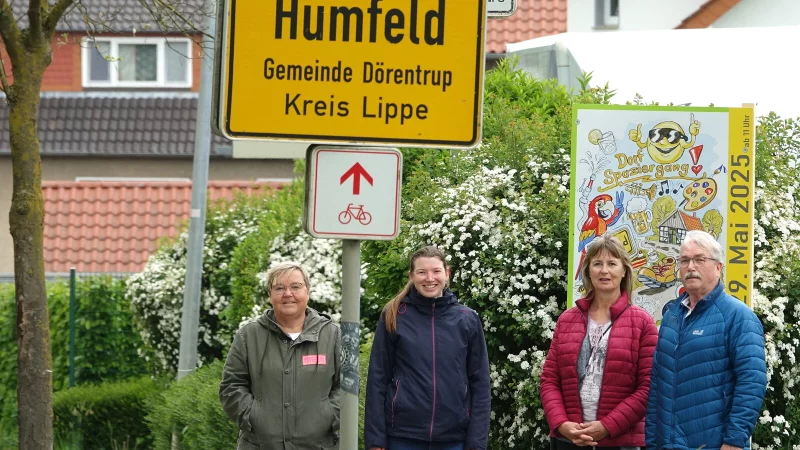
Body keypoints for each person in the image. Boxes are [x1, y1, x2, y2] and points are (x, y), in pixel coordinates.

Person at [646, 230, 767, 450]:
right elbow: (657, 384)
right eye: (684, 260)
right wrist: (653, 442)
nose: (691, 267)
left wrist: (734, 441)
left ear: (718, 267)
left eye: (699, 259)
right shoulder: (671, 315)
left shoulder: (738, 316)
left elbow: (752, 383)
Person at [364, 245, 491, 450]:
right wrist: (375, 439)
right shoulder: (394, 314)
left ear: (447, 273)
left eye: (436, 271)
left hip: (453, 438)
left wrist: (476, 443)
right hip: (402, 436)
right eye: (422, 272)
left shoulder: (467, 319)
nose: (429, 278)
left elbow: (481, 384)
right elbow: (378, 378)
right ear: (411, 276)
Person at [541, 233, 657, 450]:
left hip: (620, 442)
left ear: (624, 271)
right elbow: (549, 380)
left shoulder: (642, 323)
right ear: (588, 271)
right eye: (597, 264)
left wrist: (607, 426)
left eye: (612, 263)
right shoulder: (567, 320)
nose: (604, 270)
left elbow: (648, 388)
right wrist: (562, 424)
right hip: (568, 440)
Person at [219, 262, 341, 450]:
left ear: (307, 291)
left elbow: (347, 388)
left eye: (295, 286)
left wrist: (328, 415)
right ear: (270, 294)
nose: (287, 294)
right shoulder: (248, 335)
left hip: (320, 446)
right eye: (279, 288)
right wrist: (255, 417)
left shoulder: (332, 335)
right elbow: (231, 386)